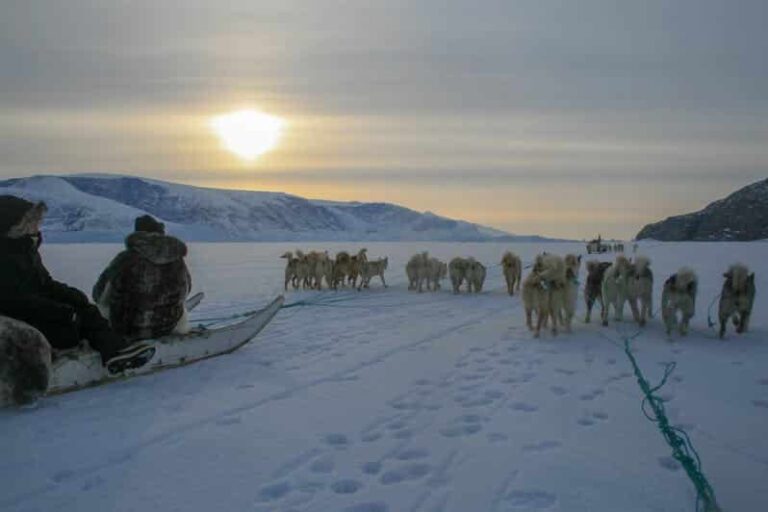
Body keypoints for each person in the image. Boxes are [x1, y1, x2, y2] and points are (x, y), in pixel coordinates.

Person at [0, 196, 155, 374]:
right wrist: (59, 310)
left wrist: (72, 296)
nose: (37, 227)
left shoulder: (24, 248)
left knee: (84, 309)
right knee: (72, 326)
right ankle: (112, 349)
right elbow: (12, 300)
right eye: (32, 222)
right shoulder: (7, 255)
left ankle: (115, 350)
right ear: (16, 227)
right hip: (18, 320)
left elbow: (44, 283)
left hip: (35, 310)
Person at [93, 215, 191, 341]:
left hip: (128, 329)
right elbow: (187, 289)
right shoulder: (177, 260)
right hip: (167, 326)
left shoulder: (125, 259)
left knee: (101, 306)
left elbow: (99, 294)